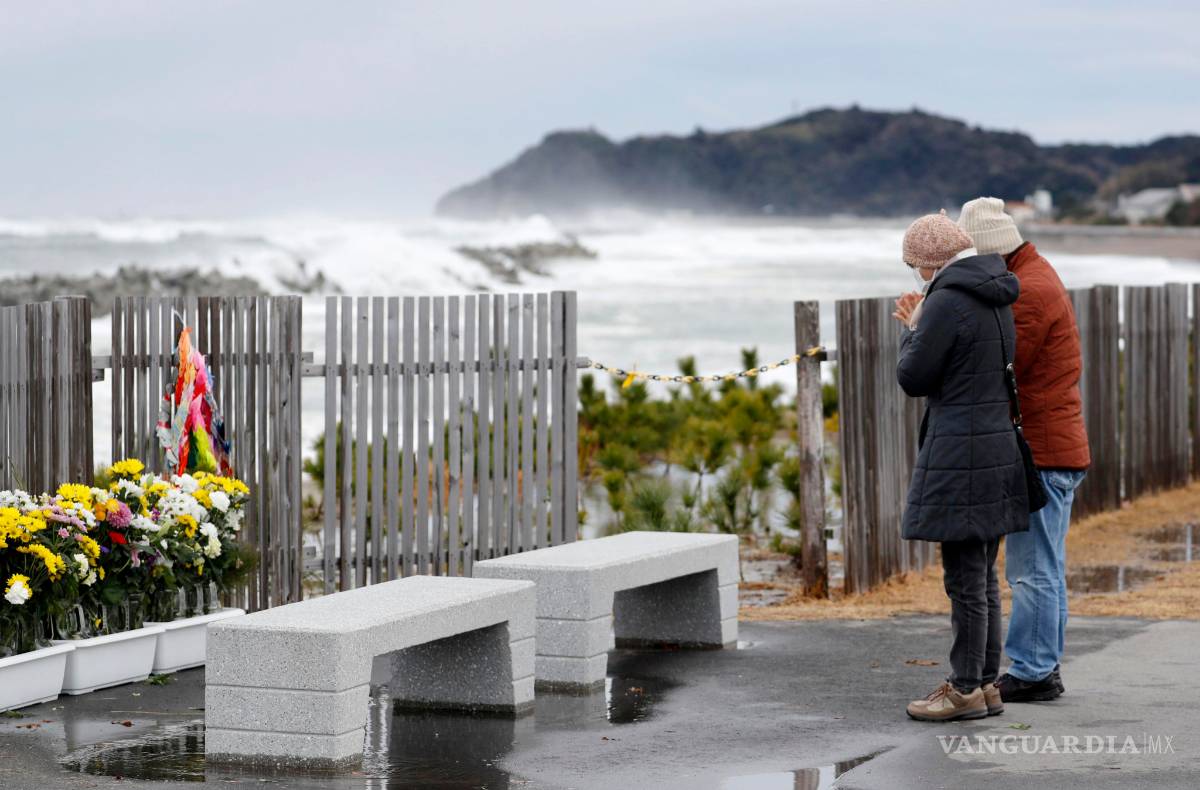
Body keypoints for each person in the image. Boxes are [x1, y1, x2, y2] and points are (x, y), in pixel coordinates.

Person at [892, 210, 1030, 722]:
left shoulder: (948, 301)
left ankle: (965, 688)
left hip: (963, 452)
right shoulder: (996, 293)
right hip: (994, 448)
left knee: (965, 580)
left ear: (931, 264)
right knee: (983, 577)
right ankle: (987, 683)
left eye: (915, 266)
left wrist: (913, 329)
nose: (915, 276)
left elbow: (915, 377)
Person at [958, 197, 1090, 703]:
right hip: (1053, 446)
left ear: (990, 250)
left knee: (1030, 570)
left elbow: (1000, 360)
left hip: (1043, 451)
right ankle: (1043, 667)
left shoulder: (1028, 290)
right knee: (1046, 567)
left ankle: (1033, 671)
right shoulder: (1034, 274)